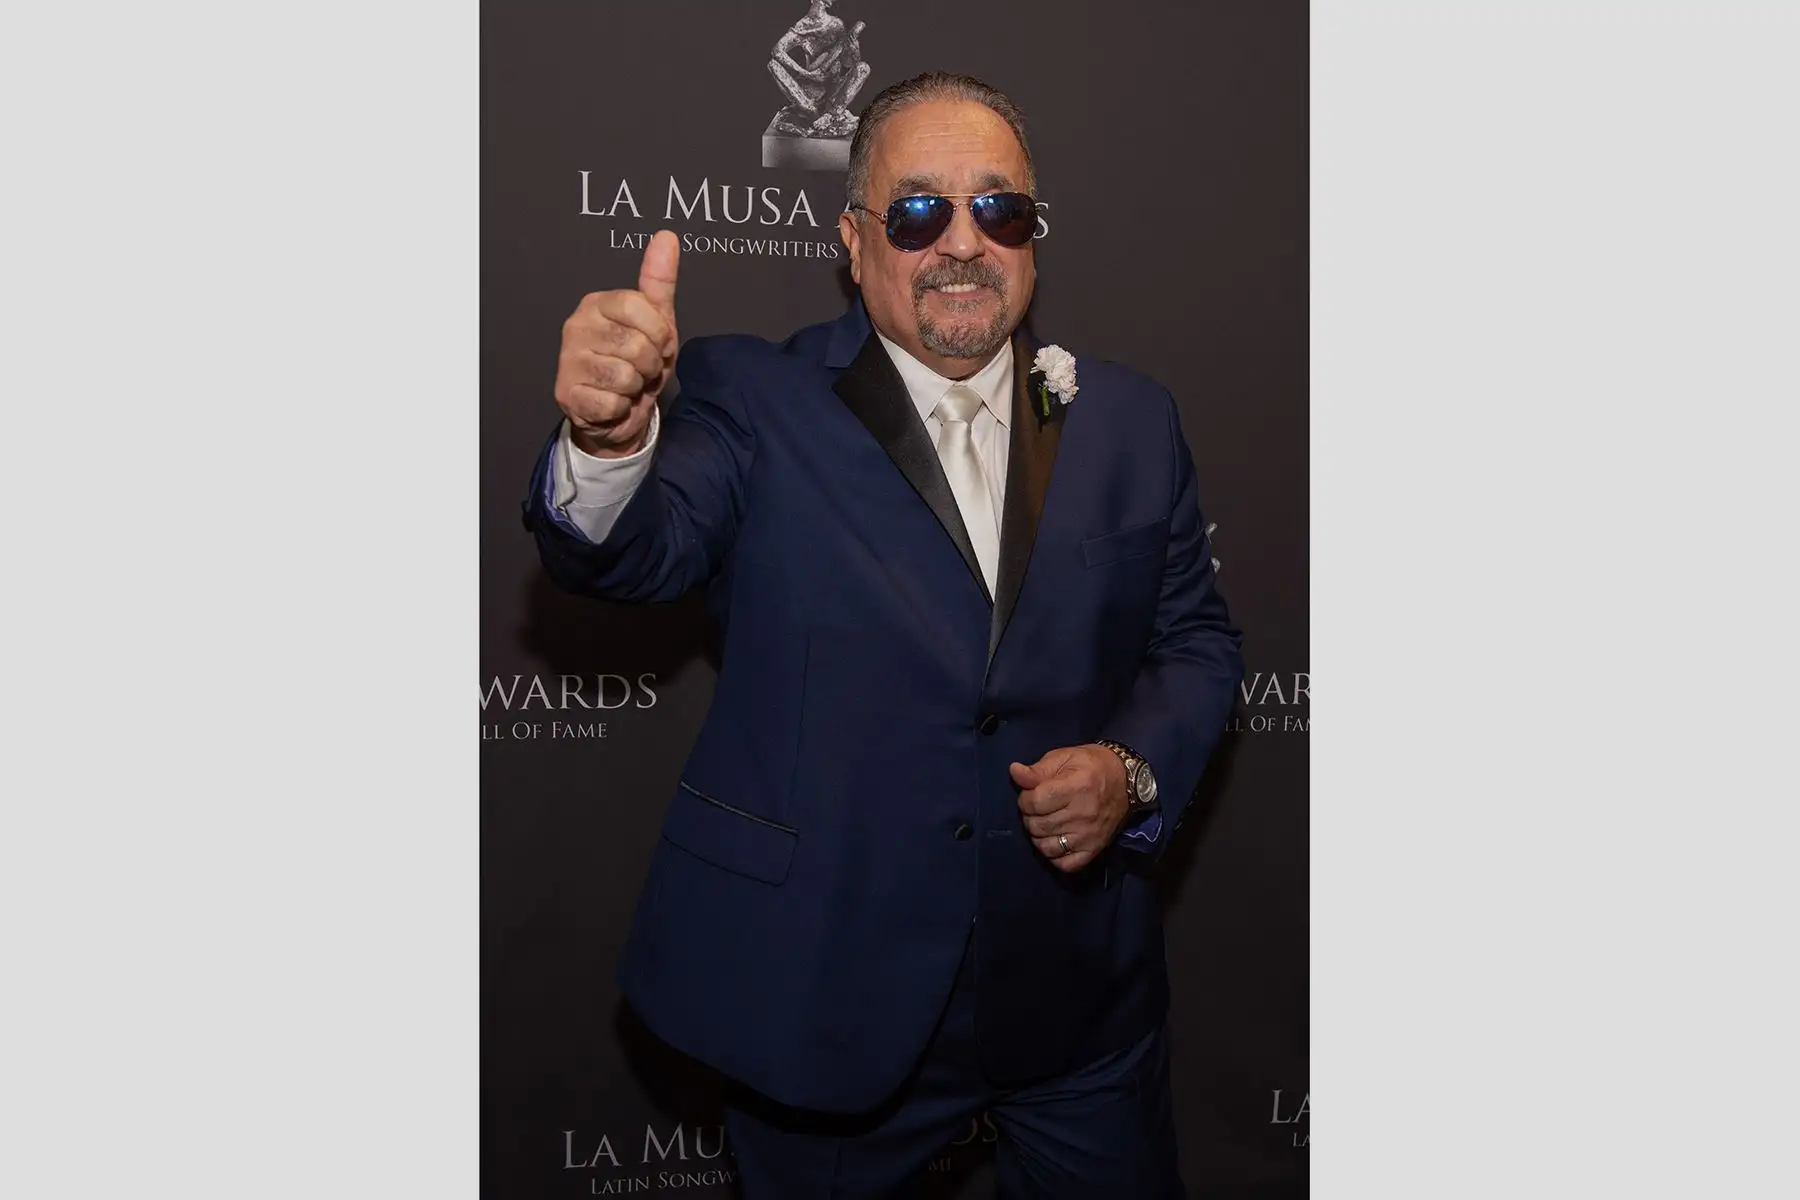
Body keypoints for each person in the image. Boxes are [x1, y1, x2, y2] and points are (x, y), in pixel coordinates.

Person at [521, 71, 1243, 1198]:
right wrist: (608, 446)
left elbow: (1195, 640)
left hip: (1078, 1005)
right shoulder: (752, 396)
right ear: (856, 246)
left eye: (999, 209)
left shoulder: (1130, 420)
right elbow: (632, 550)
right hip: (828, 998)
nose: (963, 242)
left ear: (1033, 241)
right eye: (918, 213)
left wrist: (1130, 767)